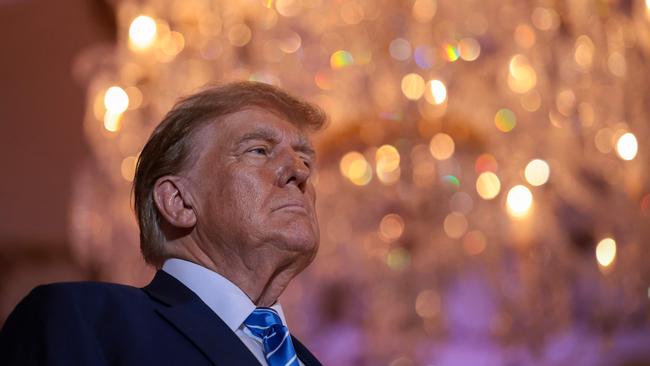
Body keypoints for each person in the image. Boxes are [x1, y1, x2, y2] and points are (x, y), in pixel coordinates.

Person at [0, 81, 327, 366]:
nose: (300, 171)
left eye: (305, 159)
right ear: (178, 202)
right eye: (259, 150)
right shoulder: (82, 321)